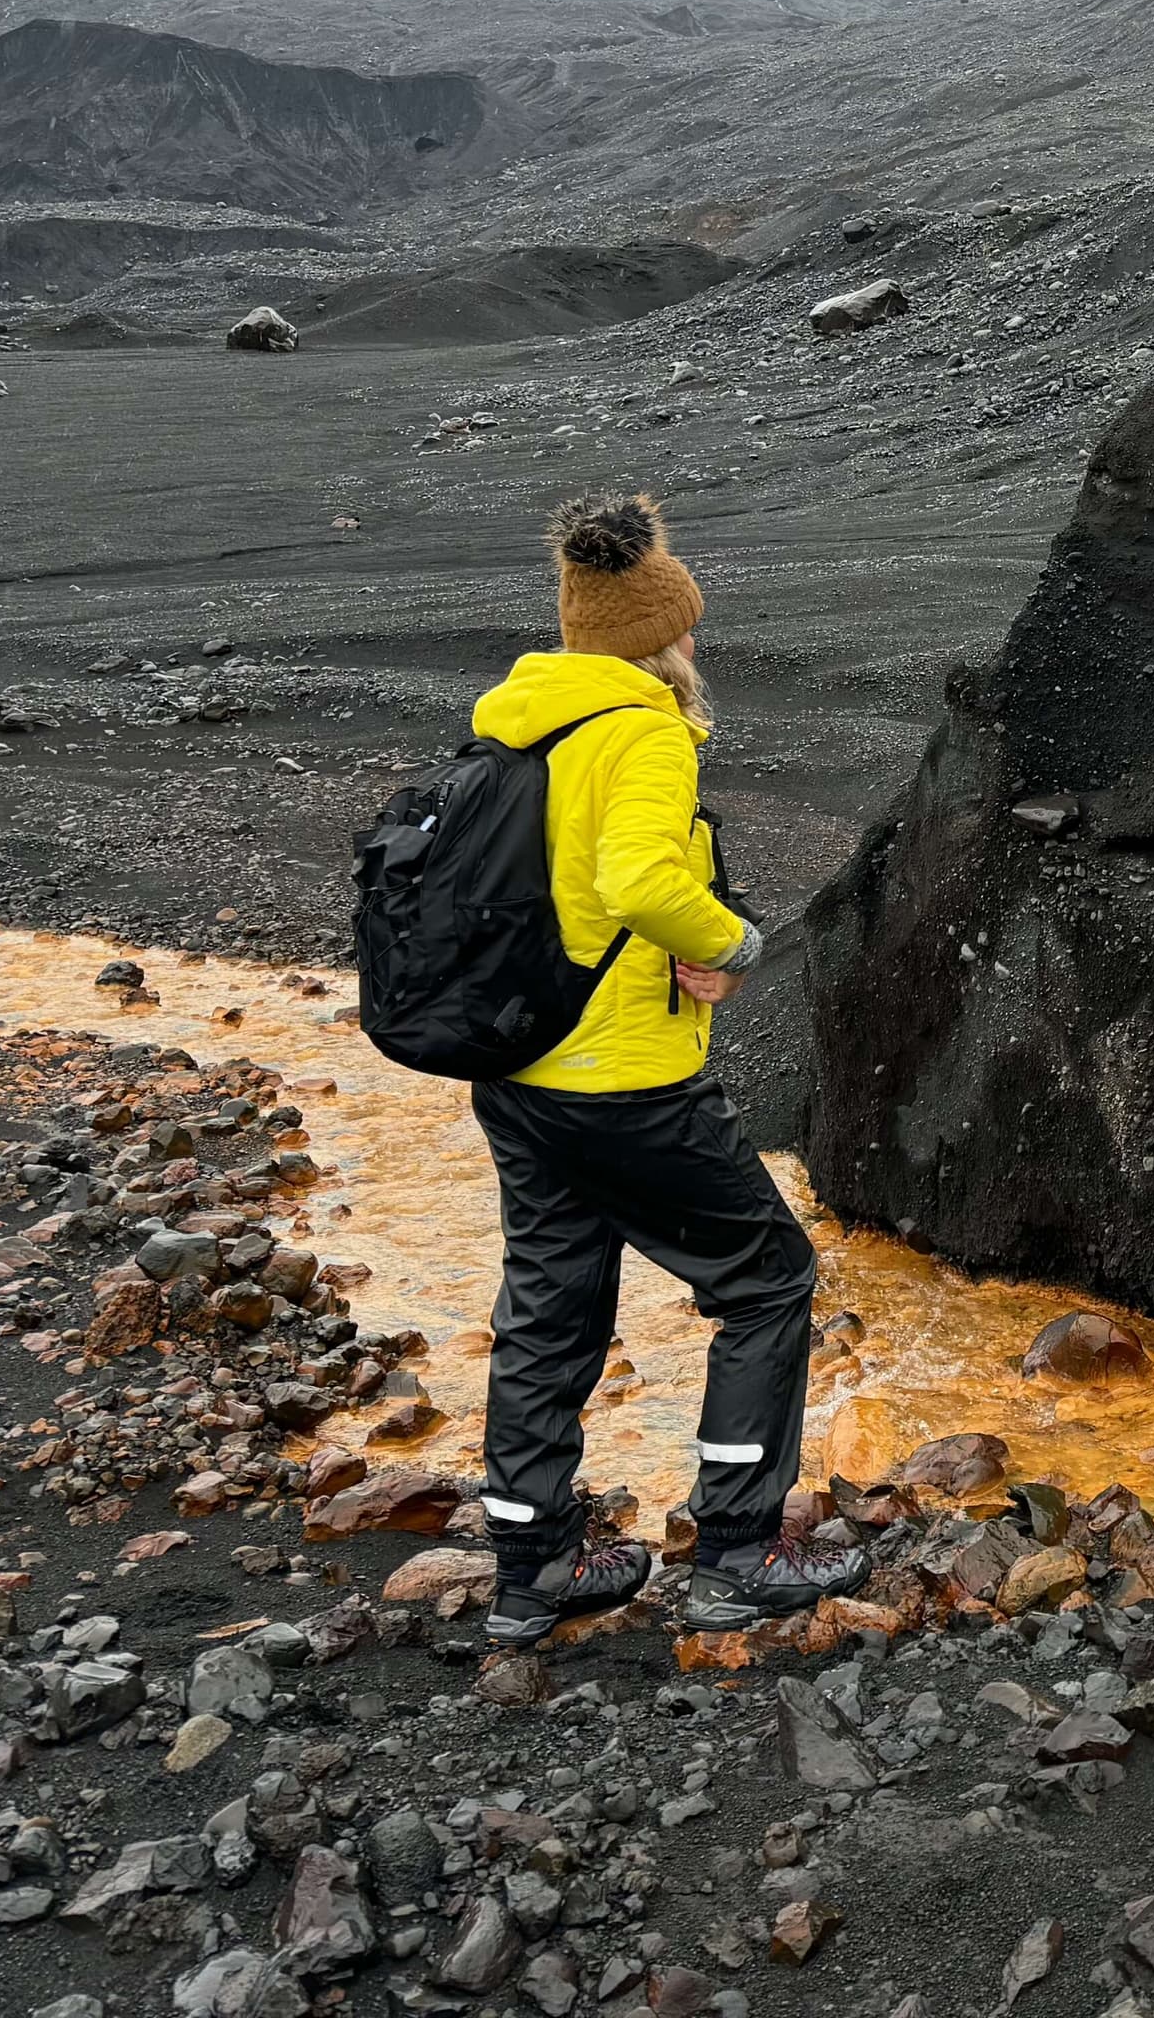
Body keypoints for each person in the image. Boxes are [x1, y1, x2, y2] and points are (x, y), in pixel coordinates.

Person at [468, 492, 863, 1645]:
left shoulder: (514, 723)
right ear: (659, 635)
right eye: (685, 627)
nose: (695, 645)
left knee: (549, 1310)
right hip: (626, 1081)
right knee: (767, 1281)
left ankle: (529, 1571)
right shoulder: (639, 728)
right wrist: (730, 944)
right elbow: (639, 881)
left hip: (521, 1073)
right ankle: (739, 1550)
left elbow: (569, 892)